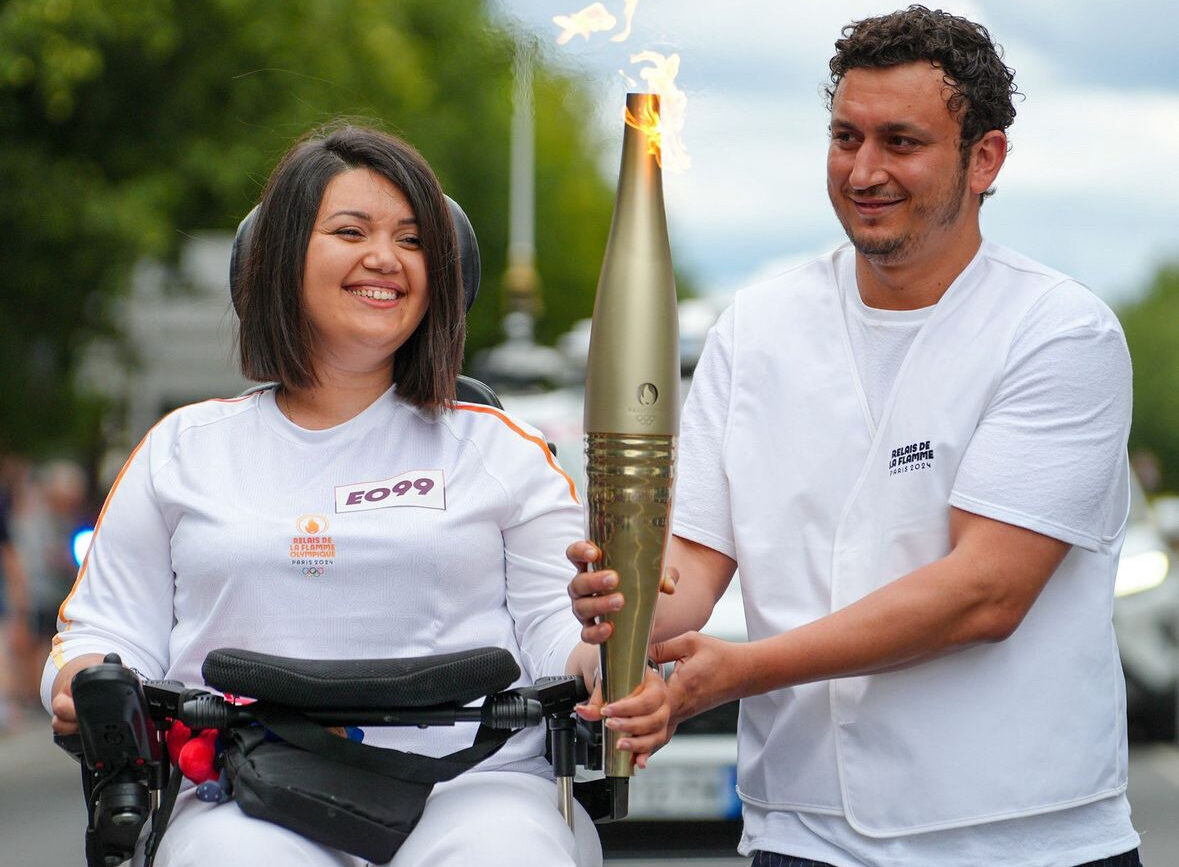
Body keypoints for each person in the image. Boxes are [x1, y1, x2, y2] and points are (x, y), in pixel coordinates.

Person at [569, 6, 1140, 866]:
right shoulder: (756, 327)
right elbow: (691, 559)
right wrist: (622, 610)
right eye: (845, 136)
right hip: (805, 830)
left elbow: (984, 593)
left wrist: (740, 670)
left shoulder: (1058, 333)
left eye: (900, 142)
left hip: (1019, 833)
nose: (863, 170)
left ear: (984, 159)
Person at [43, 123, 668, 867]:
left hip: (475, 785)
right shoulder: (184, 449)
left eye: (411, 240)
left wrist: (613, 660)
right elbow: (101, 634)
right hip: (252, 790)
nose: (385, 258)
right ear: (278, 260)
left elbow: (555, 635)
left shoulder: (499, 448)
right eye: (350, 230)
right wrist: (86, 682)